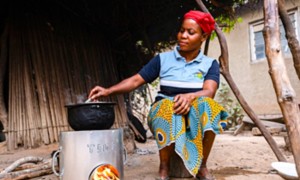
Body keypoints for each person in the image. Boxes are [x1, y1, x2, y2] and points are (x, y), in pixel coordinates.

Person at [88, 10, 228, 180]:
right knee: (166, 108)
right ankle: (164, 167)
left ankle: (201, 165)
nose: (183, 35)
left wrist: (190, 97)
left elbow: (209, 91)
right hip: (165, 109)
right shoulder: (163, 59)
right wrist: (108, 91)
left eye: (190, 33)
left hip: (194, 110)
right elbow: (135, 80)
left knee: (211, 107)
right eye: (182, 30)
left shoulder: (209, 64)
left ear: (203, 37)